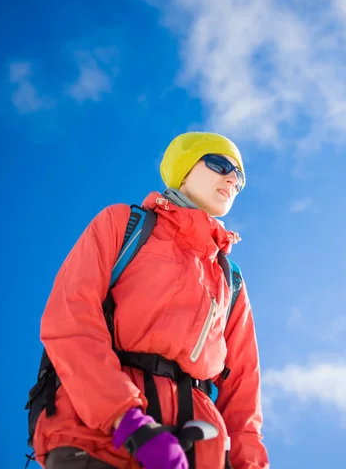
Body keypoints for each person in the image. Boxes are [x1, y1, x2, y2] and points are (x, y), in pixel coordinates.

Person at [32, 131, 269, 469]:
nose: (232, 179)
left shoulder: (229, 277)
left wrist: (250, 465)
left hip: (198, 454)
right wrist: (128, 422)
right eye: (219, 164)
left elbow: (244, 387)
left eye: (240, 176)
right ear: (184, 168)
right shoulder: (123, 225)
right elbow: (71, 320)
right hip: (99, 441)